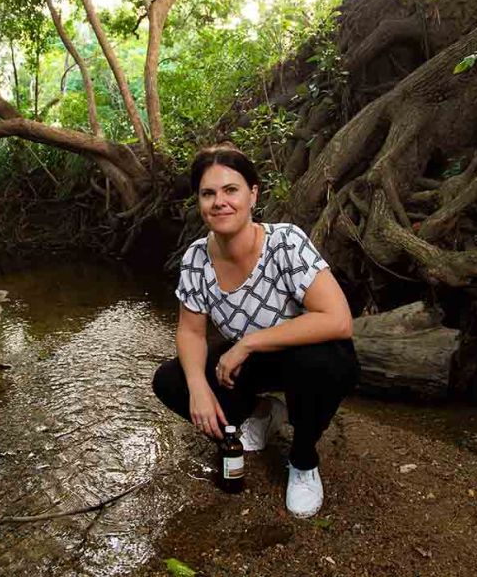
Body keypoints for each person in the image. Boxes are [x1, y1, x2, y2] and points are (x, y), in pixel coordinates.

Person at [152, 143, 360, 518]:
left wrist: (248, 342)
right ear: (199, 202)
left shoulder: (286, 242)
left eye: (231, 190)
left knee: (322, 362)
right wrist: (198, 388)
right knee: (170, 381)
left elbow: (338, 319)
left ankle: (303, 459)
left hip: (303, 353)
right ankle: (263, 412)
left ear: (253, 194)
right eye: (208, 193)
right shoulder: (196, 258)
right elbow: (191, 333)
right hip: (249, 363)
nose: (220, 202)